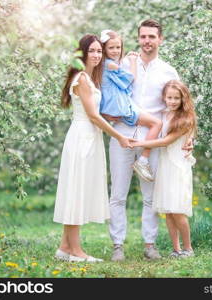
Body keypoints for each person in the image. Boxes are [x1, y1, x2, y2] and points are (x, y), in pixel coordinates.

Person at [106, 19, 192, 262]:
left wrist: (190, 137)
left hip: (152, 140)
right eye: (143, 36)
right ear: (138, 38)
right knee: (118, 194)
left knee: (151, 196)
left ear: (160, 40)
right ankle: (117, 245)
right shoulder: (121, 64)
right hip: (121, 134)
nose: (147, 41)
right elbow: (109, 96)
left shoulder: (168, 71)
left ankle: (150, 244)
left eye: (151, 37)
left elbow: (183, 108)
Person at [53, 34, 134, 263]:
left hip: (90, 137)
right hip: (82, 138)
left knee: (79, 190)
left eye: (100, 51)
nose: (97, 55)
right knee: (76, 192)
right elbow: (93, 116)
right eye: (93, 51)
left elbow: (98, 113)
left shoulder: (90, 78)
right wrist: (119, 136)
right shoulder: (82, 80)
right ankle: (76, 252)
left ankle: (64, 247)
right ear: (83, 53)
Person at [132, 80, 197, 258]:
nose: (173, 101)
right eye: (169, 97)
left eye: (177, 98)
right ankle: (176, 249)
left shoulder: (186, 118)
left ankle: (188, 248)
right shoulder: (163, 114)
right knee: (168, 210)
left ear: (183, 99)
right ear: (164, 98)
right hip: (164, 164)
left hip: (177, 165)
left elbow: (166, 141)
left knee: (178, 210)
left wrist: (140, 143)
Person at [100, 29, 162, 182]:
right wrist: (133, 62)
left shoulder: (108, 65)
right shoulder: (110, 65)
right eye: (111, 48)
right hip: (121, 106)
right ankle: (143, 161)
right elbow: (131, 78)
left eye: (118, 47)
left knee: (155, 123)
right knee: (157, 123)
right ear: (104, 49)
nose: (115, 51)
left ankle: (143, 160)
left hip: (117, 107)